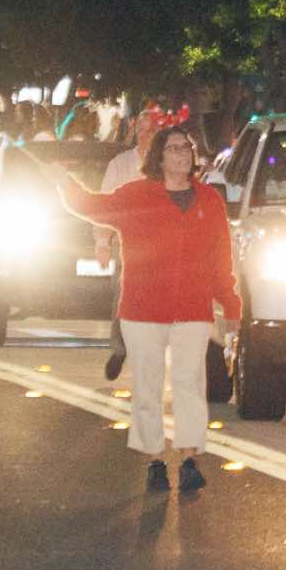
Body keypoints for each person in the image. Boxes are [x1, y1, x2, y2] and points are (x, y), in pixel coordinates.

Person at [41, 127, 241, 495]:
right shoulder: (137, 195)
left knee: (190, 384)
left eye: (187, 147)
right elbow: (92, 206)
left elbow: (221, 257)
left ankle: (190, 460)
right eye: (174, 148)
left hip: (193, 308)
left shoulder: (209, 200)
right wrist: (63, 182)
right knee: (148, 387)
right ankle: (155, 462)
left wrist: (230, 303)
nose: (183, 154)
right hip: (143, 308)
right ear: (159, 158)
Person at [97, 107, 165, 382]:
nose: (146, 136)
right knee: (124, 296)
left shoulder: (170, 166)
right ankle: (120, 349)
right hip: (129, 246)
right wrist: (102, 242)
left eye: (152, 131)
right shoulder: (120, 165)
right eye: (142, 131)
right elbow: (106, 207)